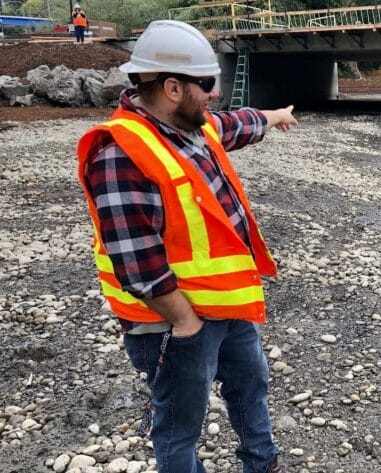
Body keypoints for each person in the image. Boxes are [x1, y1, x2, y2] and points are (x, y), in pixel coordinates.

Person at [76, 20, 297, 473]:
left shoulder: (191, 126)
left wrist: (274, 116)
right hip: (173, 320)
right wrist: (186, 323)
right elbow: (137, 263)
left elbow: (232, 125)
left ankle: (261, 463)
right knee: (179, 424)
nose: (215, 93)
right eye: (208, 83)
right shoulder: (122, 153)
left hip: (225, 305)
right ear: (174, 87)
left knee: (249, 384)